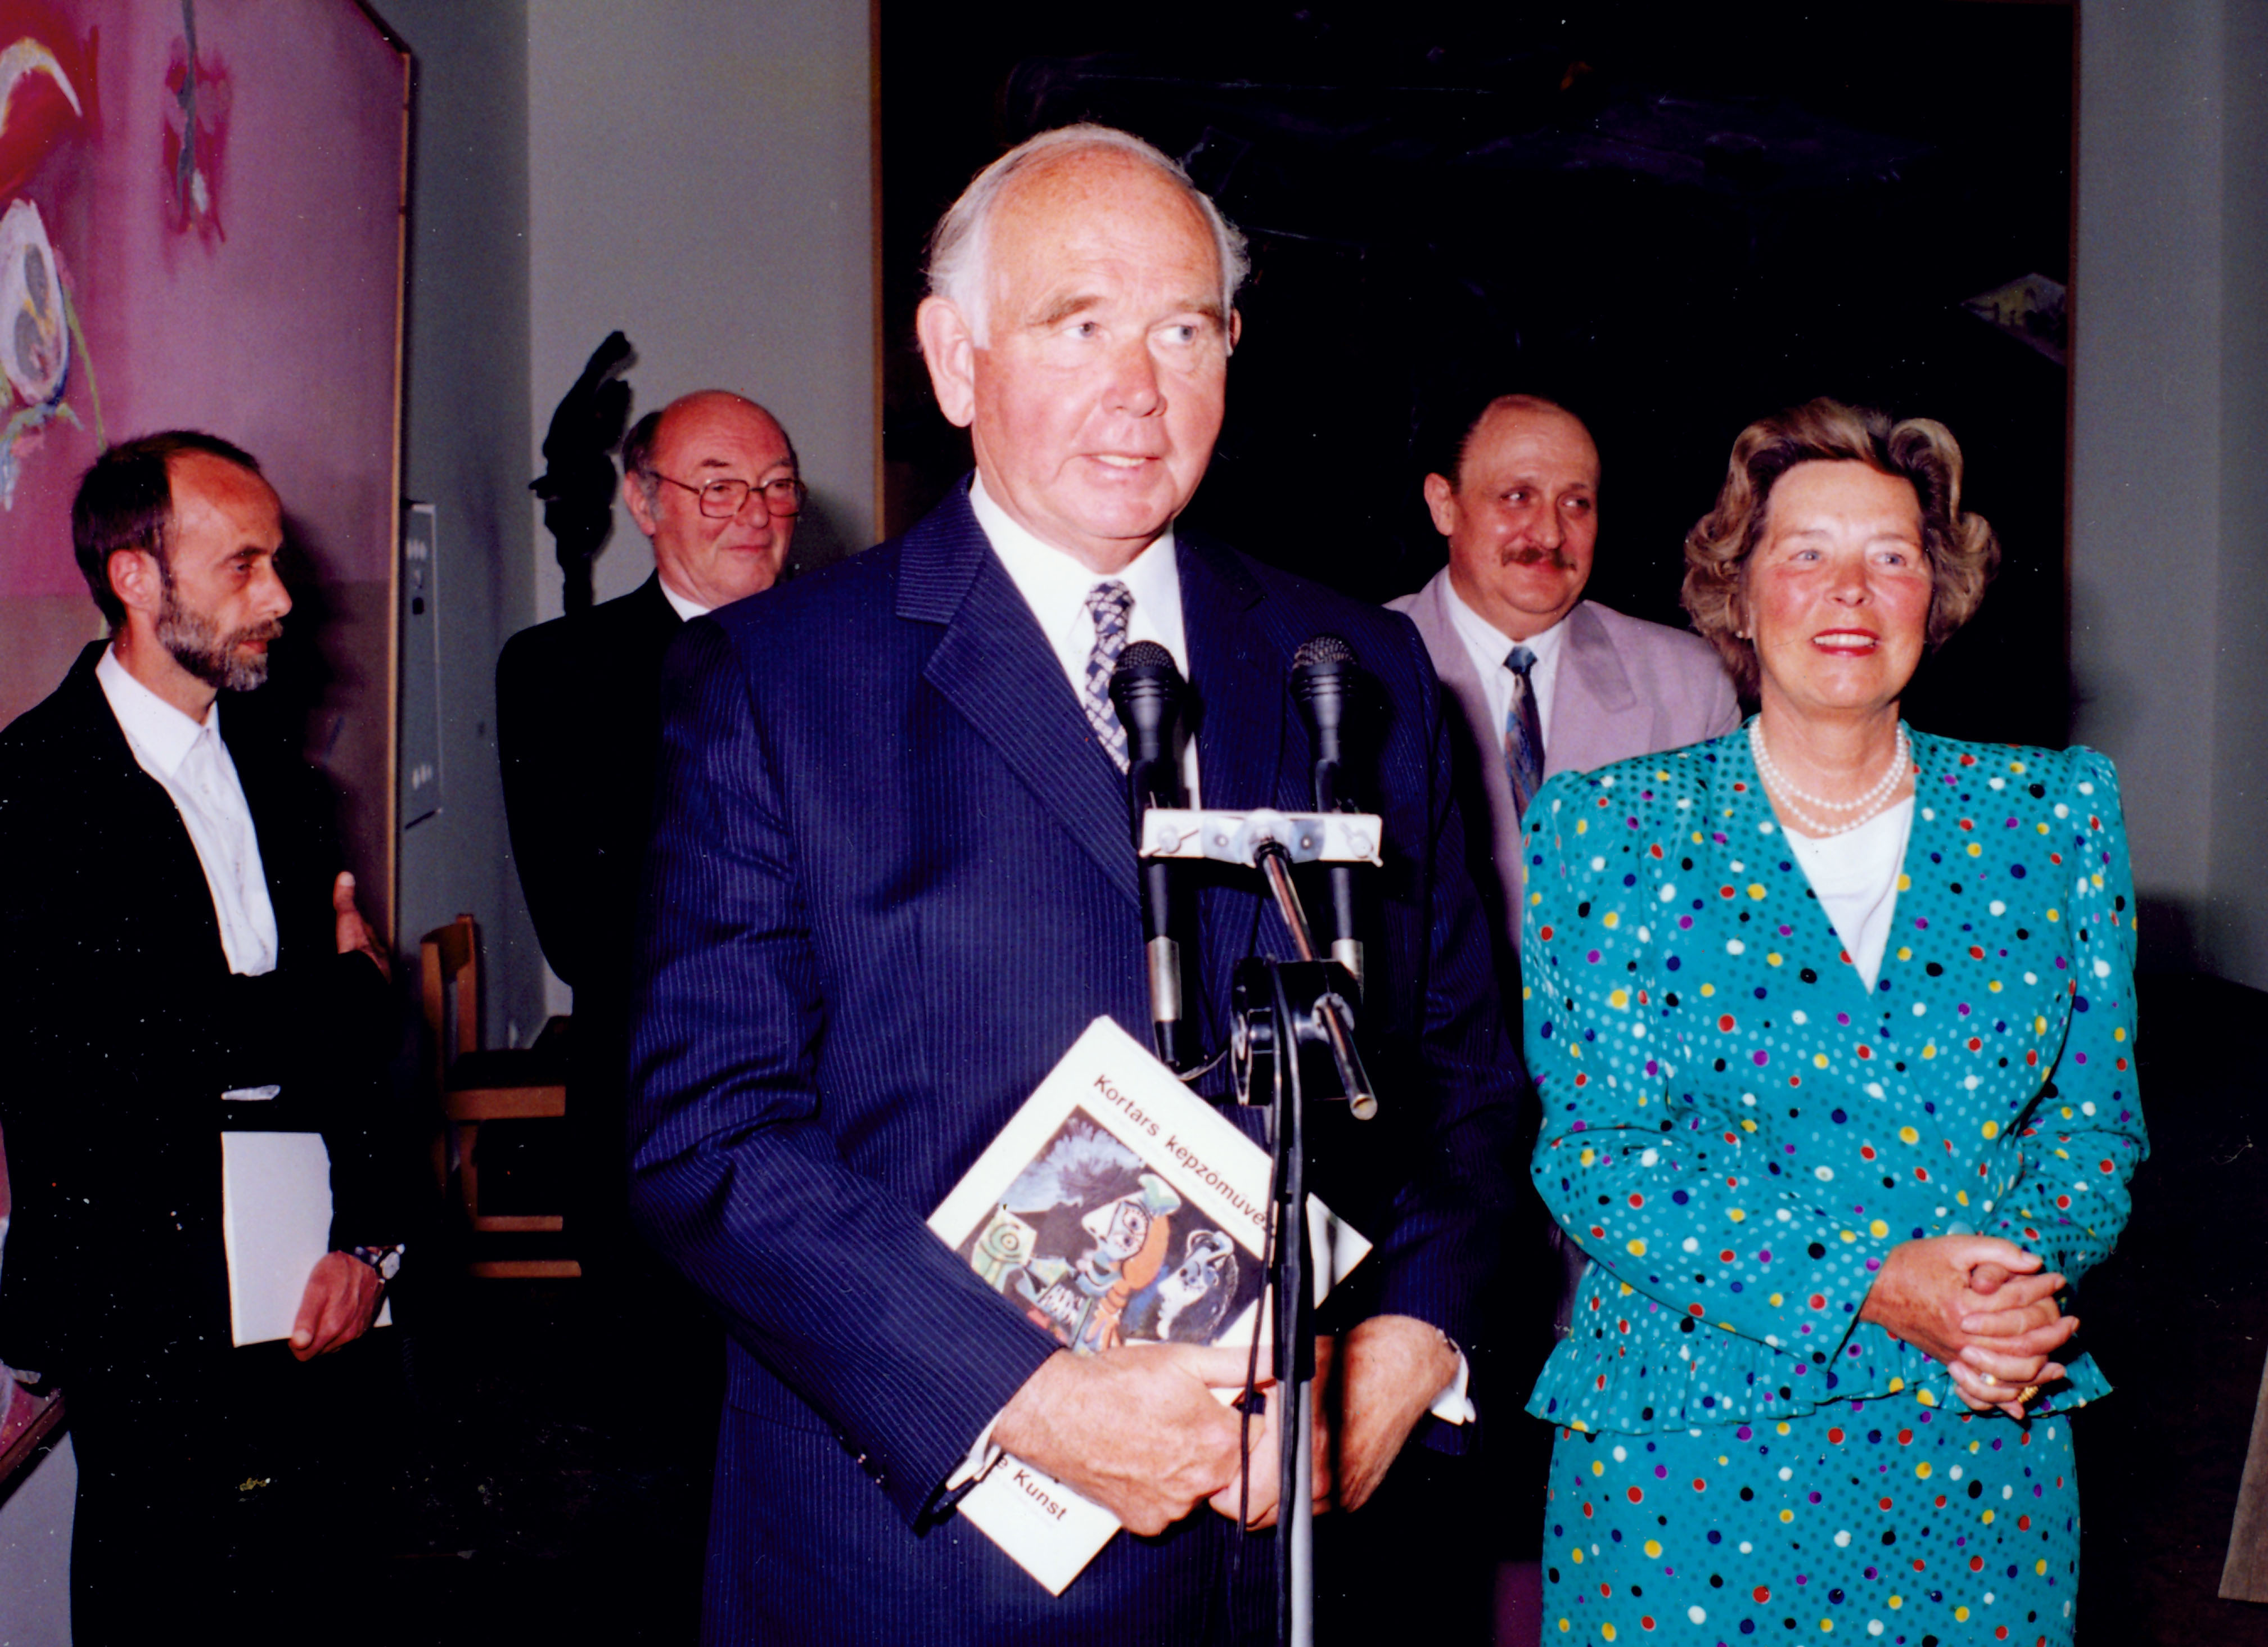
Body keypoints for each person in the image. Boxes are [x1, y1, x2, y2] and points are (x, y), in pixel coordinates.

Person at [626, 124, 1523, 1644]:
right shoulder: (774, 681)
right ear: (954, 356)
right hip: (923, 1556)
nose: (1140, 386)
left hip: (1286, 1552)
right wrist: (1023, 1395)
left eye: (1184, 328)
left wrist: (1418, 1336)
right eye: (1078, 323)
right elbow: (705, 1133)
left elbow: (1464, 1078)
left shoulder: (1354, 670)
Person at [1519, 398, 2144, 1645]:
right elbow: (1595, 1152)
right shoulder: (1611, 827)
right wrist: (1871, 1279)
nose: (1849, 591)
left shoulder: (2053, 814)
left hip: (1976, 1448)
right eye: (1804, 553)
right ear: (1737, 597)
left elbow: (2095, 1137)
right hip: (1687, 1461)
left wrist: (1993, 1300)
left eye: (1893, 556)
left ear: (1939, 593)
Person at [0, 432, 406, 1641]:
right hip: (141, 1297)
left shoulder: (291, 786)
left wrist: (367, 1240)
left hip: (314, 1288)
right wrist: (336, 1002)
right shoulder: (30, 787)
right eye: (242, 567)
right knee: (159, 1608)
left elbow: (361, 1052)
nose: (279, 597)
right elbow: (111, 1053)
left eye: (276, 562)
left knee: (321, 1599)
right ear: (135, 578)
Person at [497, 388, 801, 1262]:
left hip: (837, 1120)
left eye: (776, 485)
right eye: (718, 487)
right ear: (643, 502)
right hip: (654, 1107)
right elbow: (582, 932)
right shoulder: (556, 673)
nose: (753, 514)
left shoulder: (850, 652)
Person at [1391, 393, 1739, 987]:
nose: (1550, 533)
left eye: (1576, 503)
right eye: (1517, 497)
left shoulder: (1688, 684)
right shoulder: (1361, 674)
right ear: (1443, 505)